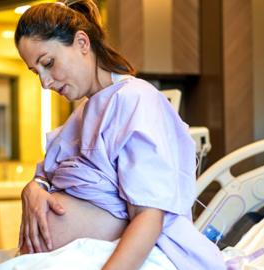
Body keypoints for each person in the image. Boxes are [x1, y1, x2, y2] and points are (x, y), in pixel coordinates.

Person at [14, 1, 226, 269]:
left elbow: (149, 216)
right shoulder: (83, 114)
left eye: (48, 63)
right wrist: (34, 187)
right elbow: (48, 173)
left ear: (82, 43)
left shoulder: (135, 100)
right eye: (36, 72)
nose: (45, 82)